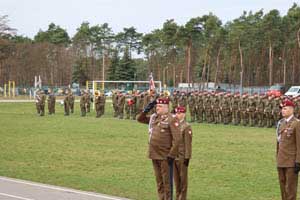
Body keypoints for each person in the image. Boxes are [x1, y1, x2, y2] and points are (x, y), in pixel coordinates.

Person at [137, 98, 181, 200]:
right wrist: (146, 109)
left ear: (166, 108)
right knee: (159, 181)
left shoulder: (172, 119)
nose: (157, 108)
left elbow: (177, 139)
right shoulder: (154, 118)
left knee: (167, 181)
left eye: (160, 106)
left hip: (165, 156)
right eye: (156, 106)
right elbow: (140, 119)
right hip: (154, 154)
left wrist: (172, 155)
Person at [276, 99, 300, 200]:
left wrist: (298, 161)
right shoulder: (281, 123)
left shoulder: (297, 123)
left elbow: (299, 143)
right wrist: (277, 158)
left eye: (285, 109)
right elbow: (279, 142)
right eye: (282, 109)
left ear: (291, 109)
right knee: (283, 188)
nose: (282, 111)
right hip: (281, 160)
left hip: (291, 161)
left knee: (290, 189)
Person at [174, 106, 192, 200]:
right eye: (176, 113)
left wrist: (187, 157)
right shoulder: (175, 125)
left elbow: (188, 143)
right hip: (174, 156)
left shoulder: (186, 126)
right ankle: (177, 197)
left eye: (179, 113)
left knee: (183, 180)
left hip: (182, 157)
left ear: (184, 114)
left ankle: (182, 198)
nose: (177, 115)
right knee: (176, 180)